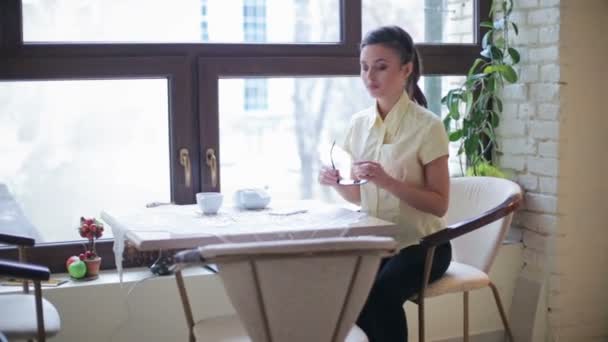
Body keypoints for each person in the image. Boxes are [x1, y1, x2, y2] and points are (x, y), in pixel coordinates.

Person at [318, 25, 452, 342]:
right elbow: (360, 197)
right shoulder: (359, 124)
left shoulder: (429, 126)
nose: (370, 76)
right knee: (349, 293)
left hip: (425, 246)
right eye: (364, 67)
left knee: (379, 296)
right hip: (378, 244)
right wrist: (336, 182)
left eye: (381, 67)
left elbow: (439, 203)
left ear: (406, 69)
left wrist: (388, 181)